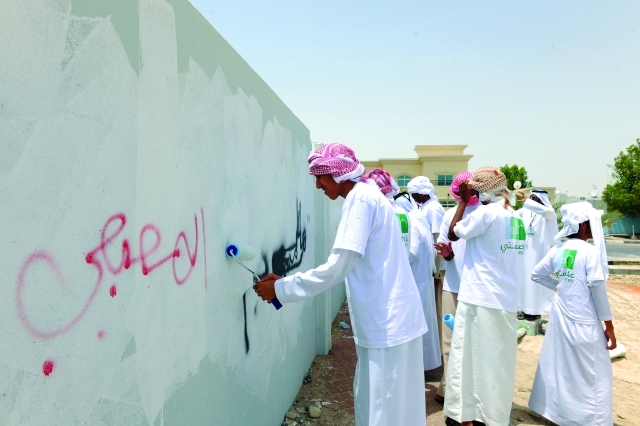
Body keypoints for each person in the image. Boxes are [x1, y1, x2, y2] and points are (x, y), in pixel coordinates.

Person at [254, 143, 428, 426]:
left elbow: (337, 268)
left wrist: (281, 289)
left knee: (382, 411)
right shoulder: (371, 196)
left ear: (337, 173)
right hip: (395, 321)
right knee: (396, 410)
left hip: (387, 324)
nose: (317, 184)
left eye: (320, 176)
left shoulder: (360, 199)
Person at [442, 166, 526, 426]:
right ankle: (493, 415)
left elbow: (452, 232)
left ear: (481, 190)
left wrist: (464, 202)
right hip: (506, 299)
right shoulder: (515, 216)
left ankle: (470, 416)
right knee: (497, 361)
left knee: (469, 359)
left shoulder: (487, 213)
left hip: (480, 298)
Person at [528, 202, 616, 426]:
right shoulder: (590, 252)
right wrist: (609, 326)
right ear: (584, 226)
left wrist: (562, 287)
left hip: (561, 315)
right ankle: (592, 420)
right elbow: (597, 290)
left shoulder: (558, 249)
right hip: (584, 318)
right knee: (594, 372)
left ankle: (562, 414)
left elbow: (537, 274)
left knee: (563, 366)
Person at [432, 171, 481, 404]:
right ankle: (452, 394)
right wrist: (448, 256)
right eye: (462, 190)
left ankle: (463, 394)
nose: (464, 194)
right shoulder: (450, 214)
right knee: (450, 343)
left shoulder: (486, 213)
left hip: (478, 290)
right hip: (453, 285)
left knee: (473, 343)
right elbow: (446, 243)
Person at [407, 176, 446, 344]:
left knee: (434, 308)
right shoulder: (425, 207)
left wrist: (435, 270)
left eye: (415, 194)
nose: (414, 198)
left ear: (423, 193)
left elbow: (437, 239)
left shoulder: (434, 208)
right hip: (426, 265)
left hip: (432, 267)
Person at [516, 189, 559, 320]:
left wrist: (527, 201)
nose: (533, 200)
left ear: (542, 200)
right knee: (524, 281)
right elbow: (511, 214)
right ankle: (524, 309)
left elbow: (549, 213)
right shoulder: (525, 211)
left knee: (536, 283)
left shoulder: (548, 212)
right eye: (532, 197)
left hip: (539, 254)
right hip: (524, 253)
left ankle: (535, 311)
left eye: (536, 198)